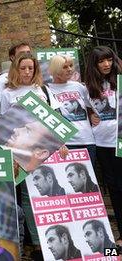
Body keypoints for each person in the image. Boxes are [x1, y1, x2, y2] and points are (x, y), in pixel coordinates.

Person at [84, 46, 122, 247]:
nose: (106, 64)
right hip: (101, 143)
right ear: (95, 64)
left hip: (120, 141)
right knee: (114, 188)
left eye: (108, 60)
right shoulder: (87, 87)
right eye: (101, 61)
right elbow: (84, 109)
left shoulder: (120, 81)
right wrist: (90, 113)